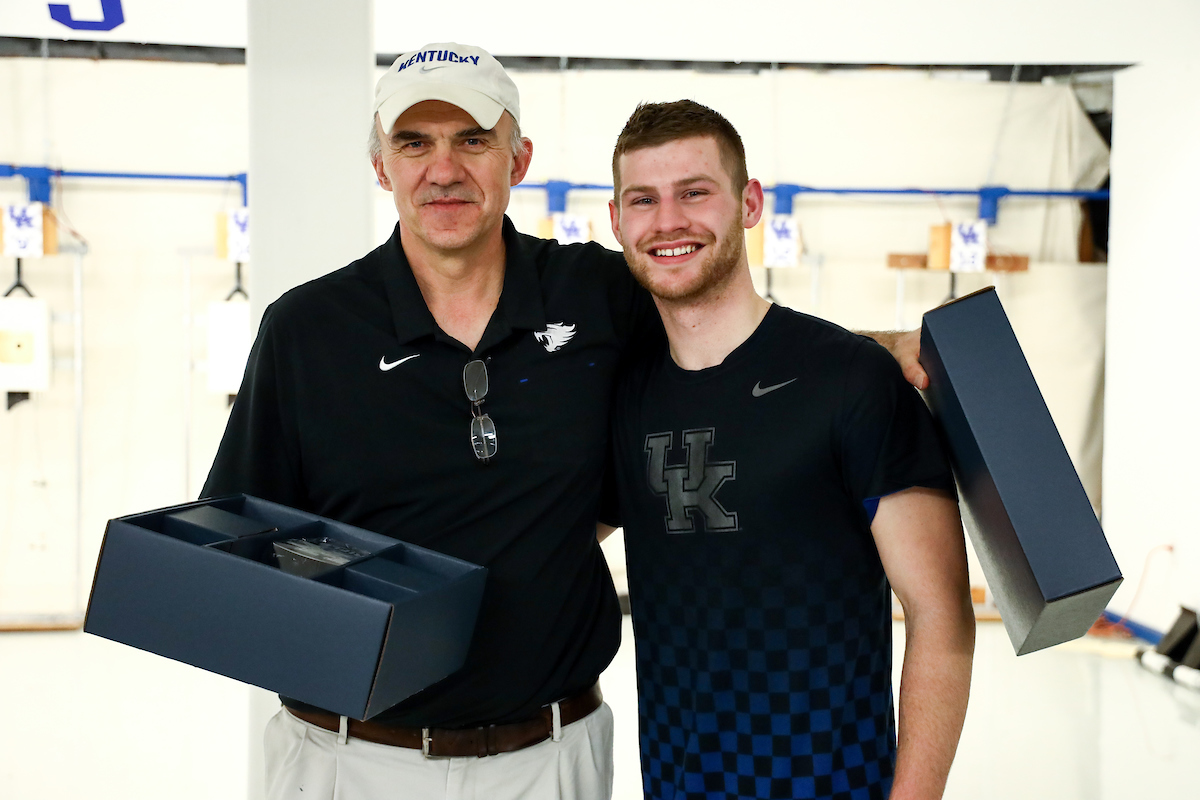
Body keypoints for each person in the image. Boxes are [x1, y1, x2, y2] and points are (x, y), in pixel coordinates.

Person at [203, 42, 931, 800]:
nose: (443, 169)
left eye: (473, 140)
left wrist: (889, 347)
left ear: (518, 160)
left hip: (549, 757)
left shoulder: (596, 297)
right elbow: (239, 545)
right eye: (414, 143)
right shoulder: (306, 331)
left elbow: (731, 331)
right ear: (382, 166)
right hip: (348, 760)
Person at [604, 100, 975, 800]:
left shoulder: (852, 381)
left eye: (695, 192)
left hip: (831, 784)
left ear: (749, 204)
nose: (668, 221)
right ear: (616, 221)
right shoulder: (626, 399)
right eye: (643, 200)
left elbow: (942, 615)